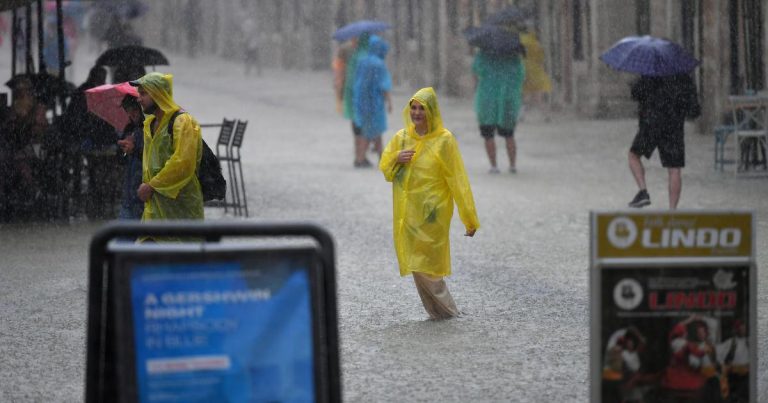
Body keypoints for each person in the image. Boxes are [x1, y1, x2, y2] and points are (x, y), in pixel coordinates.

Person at [379, 87, 480, 320]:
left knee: (427, 267)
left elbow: (458, 180)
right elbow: (386, 169)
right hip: (408, 214)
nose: (416, 113)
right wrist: (397, 158)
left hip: (434, 213)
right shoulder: (402, 138)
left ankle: (448, 312)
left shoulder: (444, 141)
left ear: (431, 111)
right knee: (418, 265)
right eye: (413, 108)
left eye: (421, 108)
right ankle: (439, 313)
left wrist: (469, 218)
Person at [130, 72, 204, 241]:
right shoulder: (149, 125)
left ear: (158, 94)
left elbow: (183, 163)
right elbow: (155, 161)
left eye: (143, 94)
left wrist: (152, 186)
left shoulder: (182, 122)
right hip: (155, 209)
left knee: (179, 254)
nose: (138, 99)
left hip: (180, 210)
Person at [627, 73, 700, 209]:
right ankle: (672, 210)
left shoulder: (651, 72)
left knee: (633, 156)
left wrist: (635, 83)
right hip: (674, 127)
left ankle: (643, 191)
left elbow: (636, 93)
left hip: (651, 124)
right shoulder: (683, 75)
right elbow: (694, 110)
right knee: (674, 169)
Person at [472, 49, 525, 174]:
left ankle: (494, 166)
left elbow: (475, 72)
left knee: (488, 134)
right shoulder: (514, 56)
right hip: (507, 98)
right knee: (509, 134)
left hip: (487, 98)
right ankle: (512, 166)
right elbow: (521, 76)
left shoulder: (483, 54)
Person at [352, 35, 392, 164]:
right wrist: (389, 102)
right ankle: (361, 158)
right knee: (373, 130)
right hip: (375, 102)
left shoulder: (362, 61)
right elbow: (384, 85)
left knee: (370, 129)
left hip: (362, 101)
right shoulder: (379, 64)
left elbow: (357, 81)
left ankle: (380, 156)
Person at [341, 33, 371, 167]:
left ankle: (358, 156)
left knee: (357, 129)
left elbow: (349, 78)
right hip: (364, 98)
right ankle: (361, 157)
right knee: (365, 129)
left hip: (353, 97)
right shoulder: (366, 57)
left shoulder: (354, 57)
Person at [116, 95, 144, 221]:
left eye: (134, 110)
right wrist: (123, 149)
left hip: (143, 193)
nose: (131, 114)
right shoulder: (129, 128)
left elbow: (153, 158)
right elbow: (120, 160)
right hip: (129, 194)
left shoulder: (151, 128)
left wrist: (135, 150)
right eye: (127, 110)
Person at [519, 26, 552, 122]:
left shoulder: (520, 43)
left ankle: (521, 115)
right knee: (538, 96)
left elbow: (518, 57)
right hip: (536, 72)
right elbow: (541, 58)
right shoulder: (536, 44)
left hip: (525, 70)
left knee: (525, 95)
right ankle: (546, 115)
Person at [717, 320, 749, 403]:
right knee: (734, 397)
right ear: (736, 330)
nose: (743, 330)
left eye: (744, 328)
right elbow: (718, 354)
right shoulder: (730, 342)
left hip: (747, 376)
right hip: (734, 376)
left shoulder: (749, 341)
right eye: (740, 328)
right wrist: (723, 366)